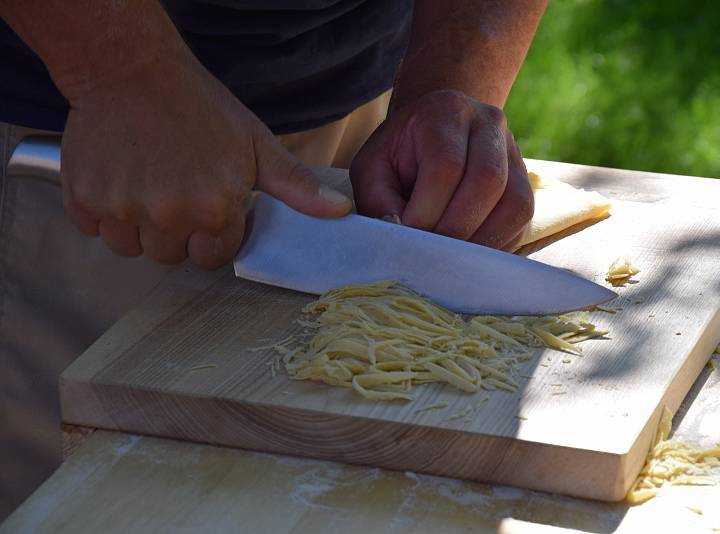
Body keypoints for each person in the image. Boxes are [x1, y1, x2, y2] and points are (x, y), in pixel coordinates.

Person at [0, 0, 546, 519]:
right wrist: (122, 73)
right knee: (74, 500)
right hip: (90, 119)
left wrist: (453, 79)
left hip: (368, 112)